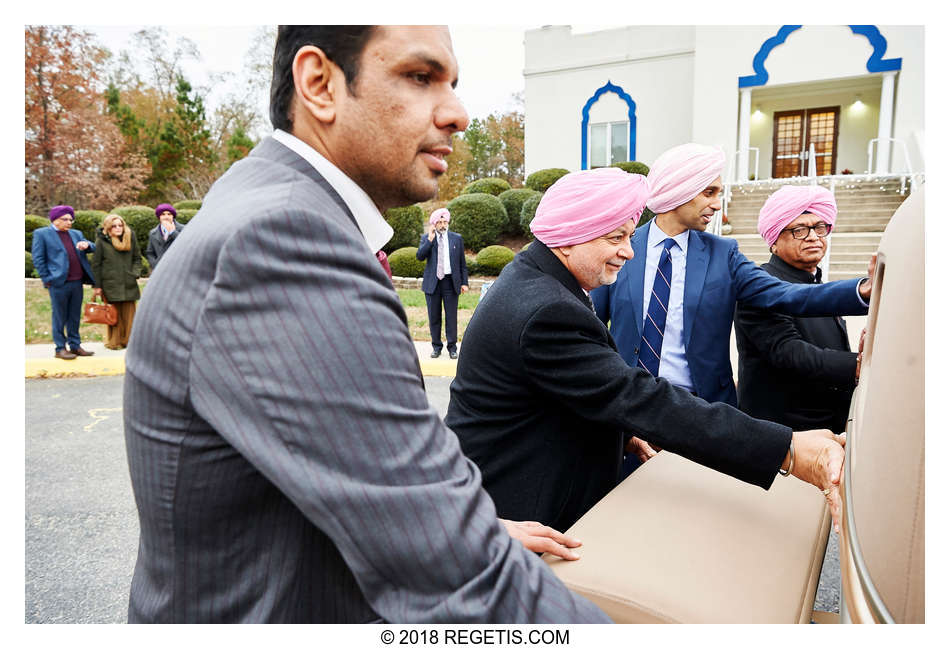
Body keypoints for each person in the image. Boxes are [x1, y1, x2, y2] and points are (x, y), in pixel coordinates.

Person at [123, 25, 607, 623]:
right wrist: (463, 537)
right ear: (320, 84)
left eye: (452, 83)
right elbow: (457, 576)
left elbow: (353, 474)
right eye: (420, 77)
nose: (457, 113)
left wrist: (475, 527)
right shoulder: (283, 240)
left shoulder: (270, 201)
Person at [446, 167, 849, 534]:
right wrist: (789, 450)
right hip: (520, 514)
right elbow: (639, 396)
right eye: (616, 237)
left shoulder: (539, 281)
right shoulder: (547, 310)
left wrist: (622, 433)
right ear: (571, 237)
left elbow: (568, 389)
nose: (629, 251)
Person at [591, 143, 872, 468]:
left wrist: (863, 290)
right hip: (630, 415)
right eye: (709, 192)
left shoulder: (723, 254)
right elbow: (594, 327)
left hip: (703, 416)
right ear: (680, 189)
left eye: (718, 192)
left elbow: (789, 295)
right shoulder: (623, 248)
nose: (716, 203)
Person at [734, 185, 857, 432]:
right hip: (783, 439)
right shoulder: (760, 286)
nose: (813, 236)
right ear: (774, 241)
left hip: (829, 430)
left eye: (819, 227)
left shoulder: (816, 283)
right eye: (799, 230)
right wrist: (859, 364)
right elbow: (790, 353)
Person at [31, 205, 96, 360]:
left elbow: (92, 246)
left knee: (74, 316)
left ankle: (75, 346)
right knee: (59, 316)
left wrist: (87, 245)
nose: (69, 222)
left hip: (77, 282)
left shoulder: (76, 234)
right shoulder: (42, 234)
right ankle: (60, 348)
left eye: (70, 219)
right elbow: (38, 258)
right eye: (65, 219)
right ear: (55, 220)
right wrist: (47, 279)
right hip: (58, 283)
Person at [416, 207, 468, 358]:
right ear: (434, 224)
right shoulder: (427, 238)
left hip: (450, 282)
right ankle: (436, 346)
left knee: (451, 317)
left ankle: (452, 347)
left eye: (445, 221)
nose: (443, 224)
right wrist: (430, 240)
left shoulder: (456, 238)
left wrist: (464, 282)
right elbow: (420, 256)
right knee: (434, 317)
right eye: (439, 222)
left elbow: (462, 263)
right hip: (433, 283)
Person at [91, 214, 143, 350]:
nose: (118, 228)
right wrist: (97, 286)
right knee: (113, 316)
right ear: (108, 228)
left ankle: (130, 341)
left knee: (130, 314)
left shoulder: (130, 237)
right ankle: (115, 341)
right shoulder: (101, 242)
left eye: (120, 225)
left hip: (128, 282)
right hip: (110, 283)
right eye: (114, 226)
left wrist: (135, 273)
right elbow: (96, 265)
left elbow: (137, 258)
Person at [144, 203, 185, 270]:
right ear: (159, 217)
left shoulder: (183, 229)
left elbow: (186, 245)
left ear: (173, 216)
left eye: (169, 214)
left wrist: (172, 232)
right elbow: (150, 252)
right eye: (163, 214)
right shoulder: (153, 233)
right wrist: (155, 265)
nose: (166, 217)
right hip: (160, 269)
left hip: (179, 268)